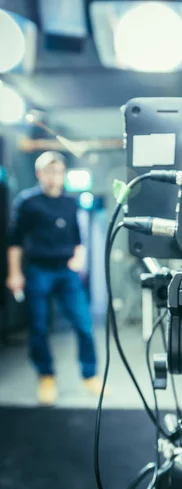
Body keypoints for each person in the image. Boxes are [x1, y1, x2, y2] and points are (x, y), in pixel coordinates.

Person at [6, 151, 102, 405]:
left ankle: (90, 375)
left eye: (58, 172)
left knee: (84, 324)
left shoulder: (71, 203)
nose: (54, 177)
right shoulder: (27, 202)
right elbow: (15, 241)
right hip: (39, 270)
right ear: (40, 174)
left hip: (66, 271)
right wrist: (14, 273)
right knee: (38, 327)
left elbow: (78, 238)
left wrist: (79, 258)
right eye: (49, 172)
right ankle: (46, 376)